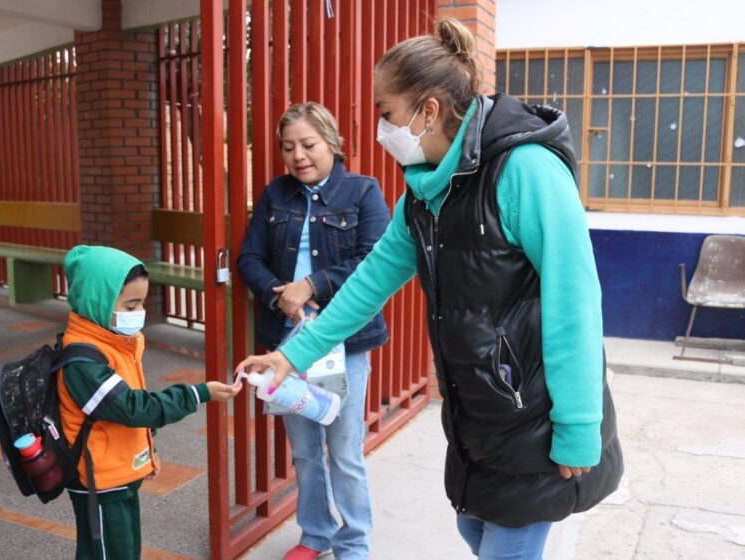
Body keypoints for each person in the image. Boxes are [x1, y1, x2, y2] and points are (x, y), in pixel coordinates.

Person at [237, 18, 623, 560]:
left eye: (385, 112)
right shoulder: (424, 194)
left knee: (505, 546)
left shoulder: (525, 171)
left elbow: (575, 304)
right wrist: (290, 355)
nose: (380, 128)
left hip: (532, 410)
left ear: (430, 111)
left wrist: (578, 428)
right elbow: (368, 283)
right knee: (473, 531)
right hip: (477, 414)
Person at [237, 102, 391, 560]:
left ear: (331, 142)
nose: (298, 156)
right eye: (288, 148)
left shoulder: (363, 191)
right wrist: (278, 294)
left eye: (308, 144)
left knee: (344, 451)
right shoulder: (275, 194)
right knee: (304, 451)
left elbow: (375, 259)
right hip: (286, 341)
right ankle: (315, 535)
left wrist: (312, 285)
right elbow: (249, 259)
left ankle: (354, 544)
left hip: (343, 342)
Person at [58, 245, 241, 560]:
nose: (138, 313)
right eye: (131, 305)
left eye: (141, 303)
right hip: (97, 480)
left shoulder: (117, 343)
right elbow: (133, 408)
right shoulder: (81, 361)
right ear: (97, 301)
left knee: (126, 550)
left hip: (119, 471)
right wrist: (198, 393)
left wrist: (147, 456)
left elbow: (131, 412)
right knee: (104, 553)